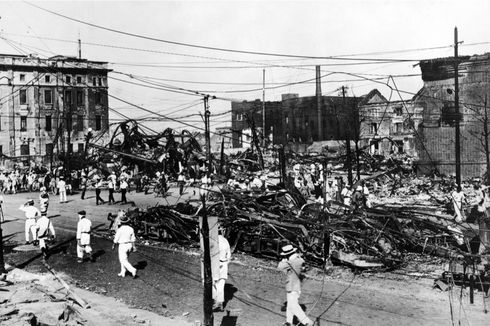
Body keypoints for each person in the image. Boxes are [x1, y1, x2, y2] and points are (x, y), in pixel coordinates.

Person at [277, 244, 314, 326]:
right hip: (296, 285)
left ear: (287, 254)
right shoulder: (299, 260)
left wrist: (283, 260)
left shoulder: (290, 262)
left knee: (293, 306)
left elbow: (279, 267)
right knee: (290, 305)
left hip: (292, 287)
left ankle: (307, 322)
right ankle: (289, 322)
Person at [212, 227, 231, 312]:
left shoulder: (214, 241)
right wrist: (224, 264)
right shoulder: (225, 241)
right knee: (220, 285)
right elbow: (229, 257)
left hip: (216, 264)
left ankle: (216, 303)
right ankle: (220, 303)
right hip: (224, 264)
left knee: (213, 284)